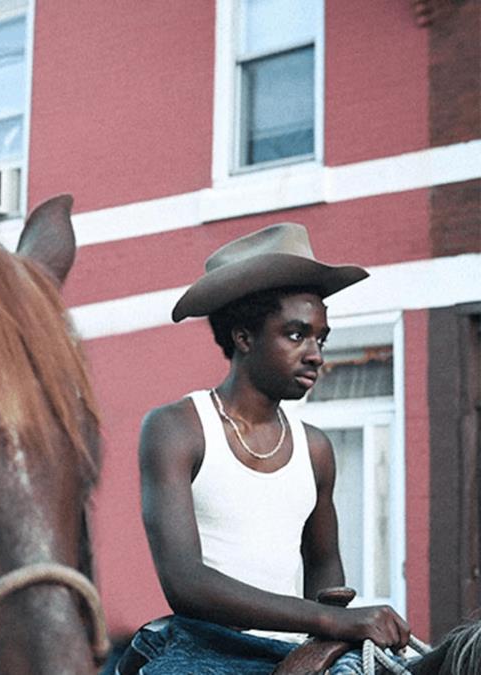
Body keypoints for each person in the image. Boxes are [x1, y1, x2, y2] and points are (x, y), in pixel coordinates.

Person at [129, 223, 410, 674]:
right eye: (297, 335)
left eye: (321, 338)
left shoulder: (315, 448)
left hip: (295, 653)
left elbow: (324, 568)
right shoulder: (177, 428)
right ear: (244, 338)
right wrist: (335, 621)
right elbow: (185, 583)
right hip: (202, 649)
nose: (316, 354)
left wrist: (329, 640)